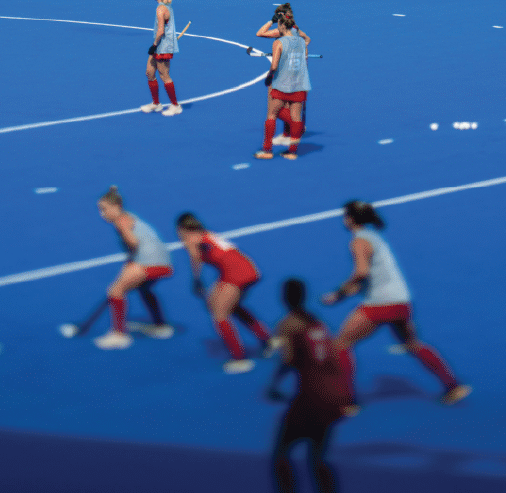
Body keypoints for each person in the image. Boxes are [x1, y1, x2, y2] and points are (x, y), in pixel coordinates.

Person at [321, 201, 470, 406]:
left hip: (379, 304)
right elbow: (365, 280)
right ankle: (454, 386)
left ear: (350, 219)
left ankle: (347, 403)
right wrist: (340, 296)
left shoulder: (358, 241)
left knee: (341, 345)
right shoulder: (376, 238)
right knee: (413, 344)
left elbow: (361, 272)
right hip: (401, 301)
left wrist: (338, 292)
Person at [267, 279, 353, 493]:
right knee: (317, 458)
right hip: (334, 395)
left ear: (284, 298)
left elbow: (288, 360)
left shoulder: (287, 324)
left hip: (311, 398)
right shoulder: (317, 323)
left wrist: (274, 384)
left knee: (281, 454)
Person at [177, 213, 272, 372]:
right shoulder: (206, 234)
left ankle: (240, 359)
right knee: (228, 306)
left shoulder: (190, 238)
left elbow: (195, 257)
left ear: (181, 229)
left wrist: (197, 281)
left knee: (219, 313)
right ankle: (267, 340)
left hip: (236, 273)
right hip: (245, 268)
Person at [94, 186, 175, 350]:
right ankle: (161, 327)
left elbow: (134, 243)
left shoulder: (121, 221)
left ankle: (119, 335)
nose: (102, 214)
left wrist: (132, 261)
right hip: (163, 261)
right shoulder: (128, 217)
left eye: (104, 209)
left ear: (116, 207)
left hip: (150, 261)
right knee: (144, 289)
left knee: (115, 290)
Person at [255, 4, 311, 160]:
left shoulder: (278, 41)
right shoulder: (300, 38)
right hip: (300, 81)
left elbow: (274, 65)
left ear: (280, 21)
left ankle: (267, 150)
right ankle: (292, 149)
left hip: (282, 80)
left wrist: (269, 77)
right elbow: (306, 48)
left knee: (273, 113)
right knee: (296, 117)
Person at [142, 0, 183, 116]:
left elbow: (161, 31)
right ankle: (156, 104)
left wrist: (154, 46)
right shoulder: (165, 6)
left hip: (162, 47)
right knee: (150, 72)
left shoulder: (161, 9)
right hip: (160, 45)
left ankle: (175, 105)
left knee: (164, 75)